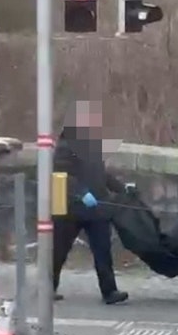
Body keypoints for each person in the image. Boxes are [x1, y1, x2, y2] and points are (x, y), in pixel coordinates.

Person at [52, 99, 130, 305]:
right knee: (59, 249)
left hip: (97, 207)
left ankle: (109, 291)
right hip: (70, 209)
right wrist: (82, 193)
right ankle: (49, 287)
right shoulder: (65, 145)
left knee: (102, 250)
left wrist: (121, 188)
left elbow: (100, 174)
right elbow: (63, 174)